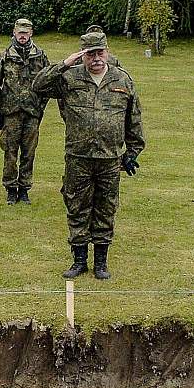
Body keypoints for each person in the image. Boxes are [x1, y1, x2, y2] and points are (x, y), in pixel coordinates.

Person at [32, 31, 145, 280]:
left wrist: (132, 151)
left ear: (107, 51)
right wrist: (64, 64)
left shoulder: (122, 79)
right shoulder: (70, 78)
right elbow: (38, 85)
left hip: (109, 159)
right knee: (77, 206)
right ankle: (79, 260)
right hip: (78, 157)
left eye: (100, 52)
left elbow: (133, 119)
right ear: (83, 54)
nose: (96, 58)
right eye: (90, 53)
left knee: (106, 208)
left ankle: (101, 262)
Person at [0, 18, 50, 205]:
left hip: (32, 113)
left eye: (26, 32)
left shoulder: (40, 56)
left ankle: (24, 189)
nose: (22, 35)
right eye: (19, 32)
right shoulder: (5, 56)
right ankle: (10, 189)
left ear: (31, 33)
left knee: (29, 153)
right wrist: (0, 110)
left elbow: (48, 84)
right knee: (10, 152)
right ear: (14, 32)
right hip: (11, 113)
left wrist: (40, 108)